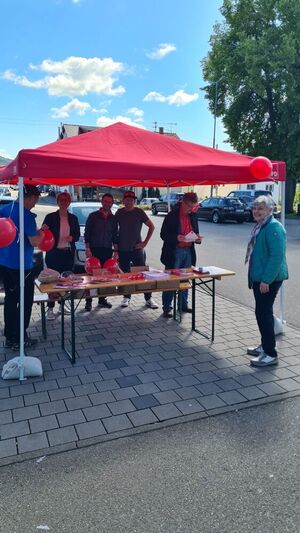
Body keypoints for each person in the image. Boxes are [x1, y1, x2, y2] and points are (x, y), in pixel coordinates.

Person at [245, 195, 288, 367]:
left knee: (263, 314)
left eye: (260, 208)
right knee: (264, 313)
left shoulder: (273, 228)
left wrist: (266, 280)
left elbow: (277, 257)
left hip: (268, 279)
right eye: (255, 208)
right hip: (261, 277)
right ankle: (266, 345)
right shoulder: (262, 225)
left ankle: (270, 354)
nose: (256, 211)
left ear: (270, 210)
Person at [0, 185, 44, 349]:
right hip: (21, 266)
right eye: (35, 200)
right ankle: (20, 337)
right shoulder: (26, 215)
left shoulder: (5, 208)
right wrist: (42, 233)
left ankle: (10, 337)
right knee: (25, 302)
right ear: (31, 197)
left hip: (4, 263)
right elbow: (34, 241)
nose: (35, 204)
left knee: (11, 301)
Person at [113, 190, 158, 309]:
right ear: (123, 201)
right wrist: (116, 247)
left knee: (142, 273)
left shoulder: (139, 212)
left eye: (131, 200)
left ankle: (148, 299)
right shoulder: (119, 212)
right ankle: (126, 297)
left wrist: (145, 243)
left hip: (137, 249)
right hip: (123, 249)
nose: (129, 202)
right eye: (126, 200)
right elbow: (113, 229)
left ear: (134, 201)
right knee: (125, 275)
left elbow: (151, 226)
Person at [160, 192, 202, 318]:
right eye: (189, 206)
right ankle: (167, 307)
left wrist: (197, 239)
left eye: (193, 206)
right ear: (182, 202)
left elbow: (196, 232)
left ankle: (183, 305)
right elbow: (163, 235)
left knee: (185, 279)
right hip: (174, 251)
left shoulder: (193, 215)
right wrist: (176, 237)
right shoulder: (171, 216)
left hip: (188, 251)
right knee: (170, 280)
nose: (191, 209)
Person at [42, 192, 80, 320]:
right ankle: (50, 308)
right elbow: (43, 233)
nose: (63, 202)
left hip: (67, 253)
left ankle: (62, 305)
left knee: (65, 281)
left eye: (66, 200)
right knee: (52, 281)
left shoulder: (73, 218)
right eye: (61, 200)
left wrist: (72, 238)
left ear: (69, 202)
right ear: (57, 202)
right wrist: (42, 229)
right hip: (54, 253)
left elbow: (77, 235)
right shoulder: (50, 217)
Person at [84, 193, 117, 311]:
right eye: (105, 201)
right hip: (94, 250)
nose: (107, 204)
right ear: (101, 202)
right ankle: (88, 302)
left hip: (107, 250)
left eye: (109, 202)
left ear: (112, 203)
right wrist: (87, 248)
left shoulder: (113, 218)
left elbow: (115, 236)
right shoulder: (93, 216)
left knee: (105, 277)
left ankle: (102, 300)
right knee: (91, 277)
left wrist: (116, 251)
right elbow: (87, 233)